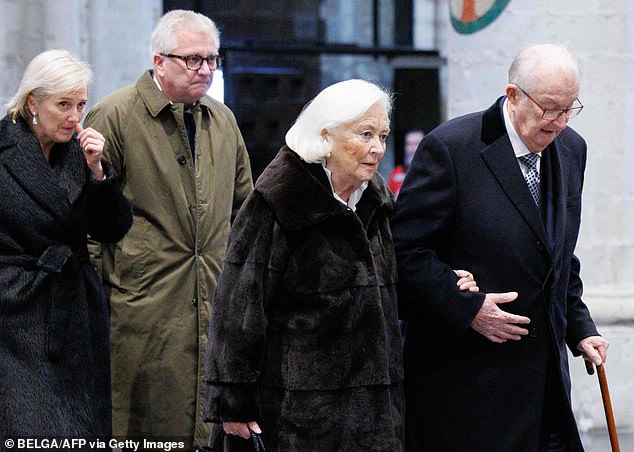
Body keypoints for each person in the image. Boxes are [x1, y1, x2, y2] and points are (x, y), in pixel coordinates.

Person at [202, 79, 477, 451]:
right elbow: (238, 310)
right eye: (365, 134)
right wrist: (232, 401)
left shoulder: (375, 201)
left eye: (382, 135)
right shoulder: (279, 200)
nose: (377, 148)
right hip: (298, 416)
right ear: (325, 134)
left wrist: (445, 284)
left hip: (375, 416)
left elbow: (390, 291)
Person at [391, 43, 610, 451]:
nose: (560, 122)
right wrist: (468, 309)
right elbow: (405, 253)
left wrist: (580, 328)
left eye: (569, 108)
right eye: (549, 108)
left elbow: (557, 254)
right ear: (513, 96)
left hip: (545, 390)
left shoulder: (571, 148)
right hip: (469, 391)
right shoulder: (451, 148)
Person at [83, 9, 253, 447]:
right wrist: (103, 297)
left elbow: (244, 212)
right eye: (193, 59)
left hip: (213, 302)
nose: (206, 70)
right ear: (159, 61)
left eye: (212, 60)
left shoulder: (223, 120)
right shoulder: (115, 115)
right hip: (140, 310)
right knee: (139, 425)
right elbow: (89, 222)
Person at [0, 49, 132, 439]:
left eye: (81, 104)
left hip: (74, 310)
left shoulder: (80, 153)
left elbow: (112, 229)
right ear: (31, 103)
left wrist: (98, 173)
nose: (76, 116)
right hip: (15, 315)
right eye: (63, 104)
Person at [387, 129, 424, 197]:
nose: (412, 148)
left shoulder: (430, 170)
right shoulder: (397, 172)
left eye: (416, 143)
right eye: (409, 144)